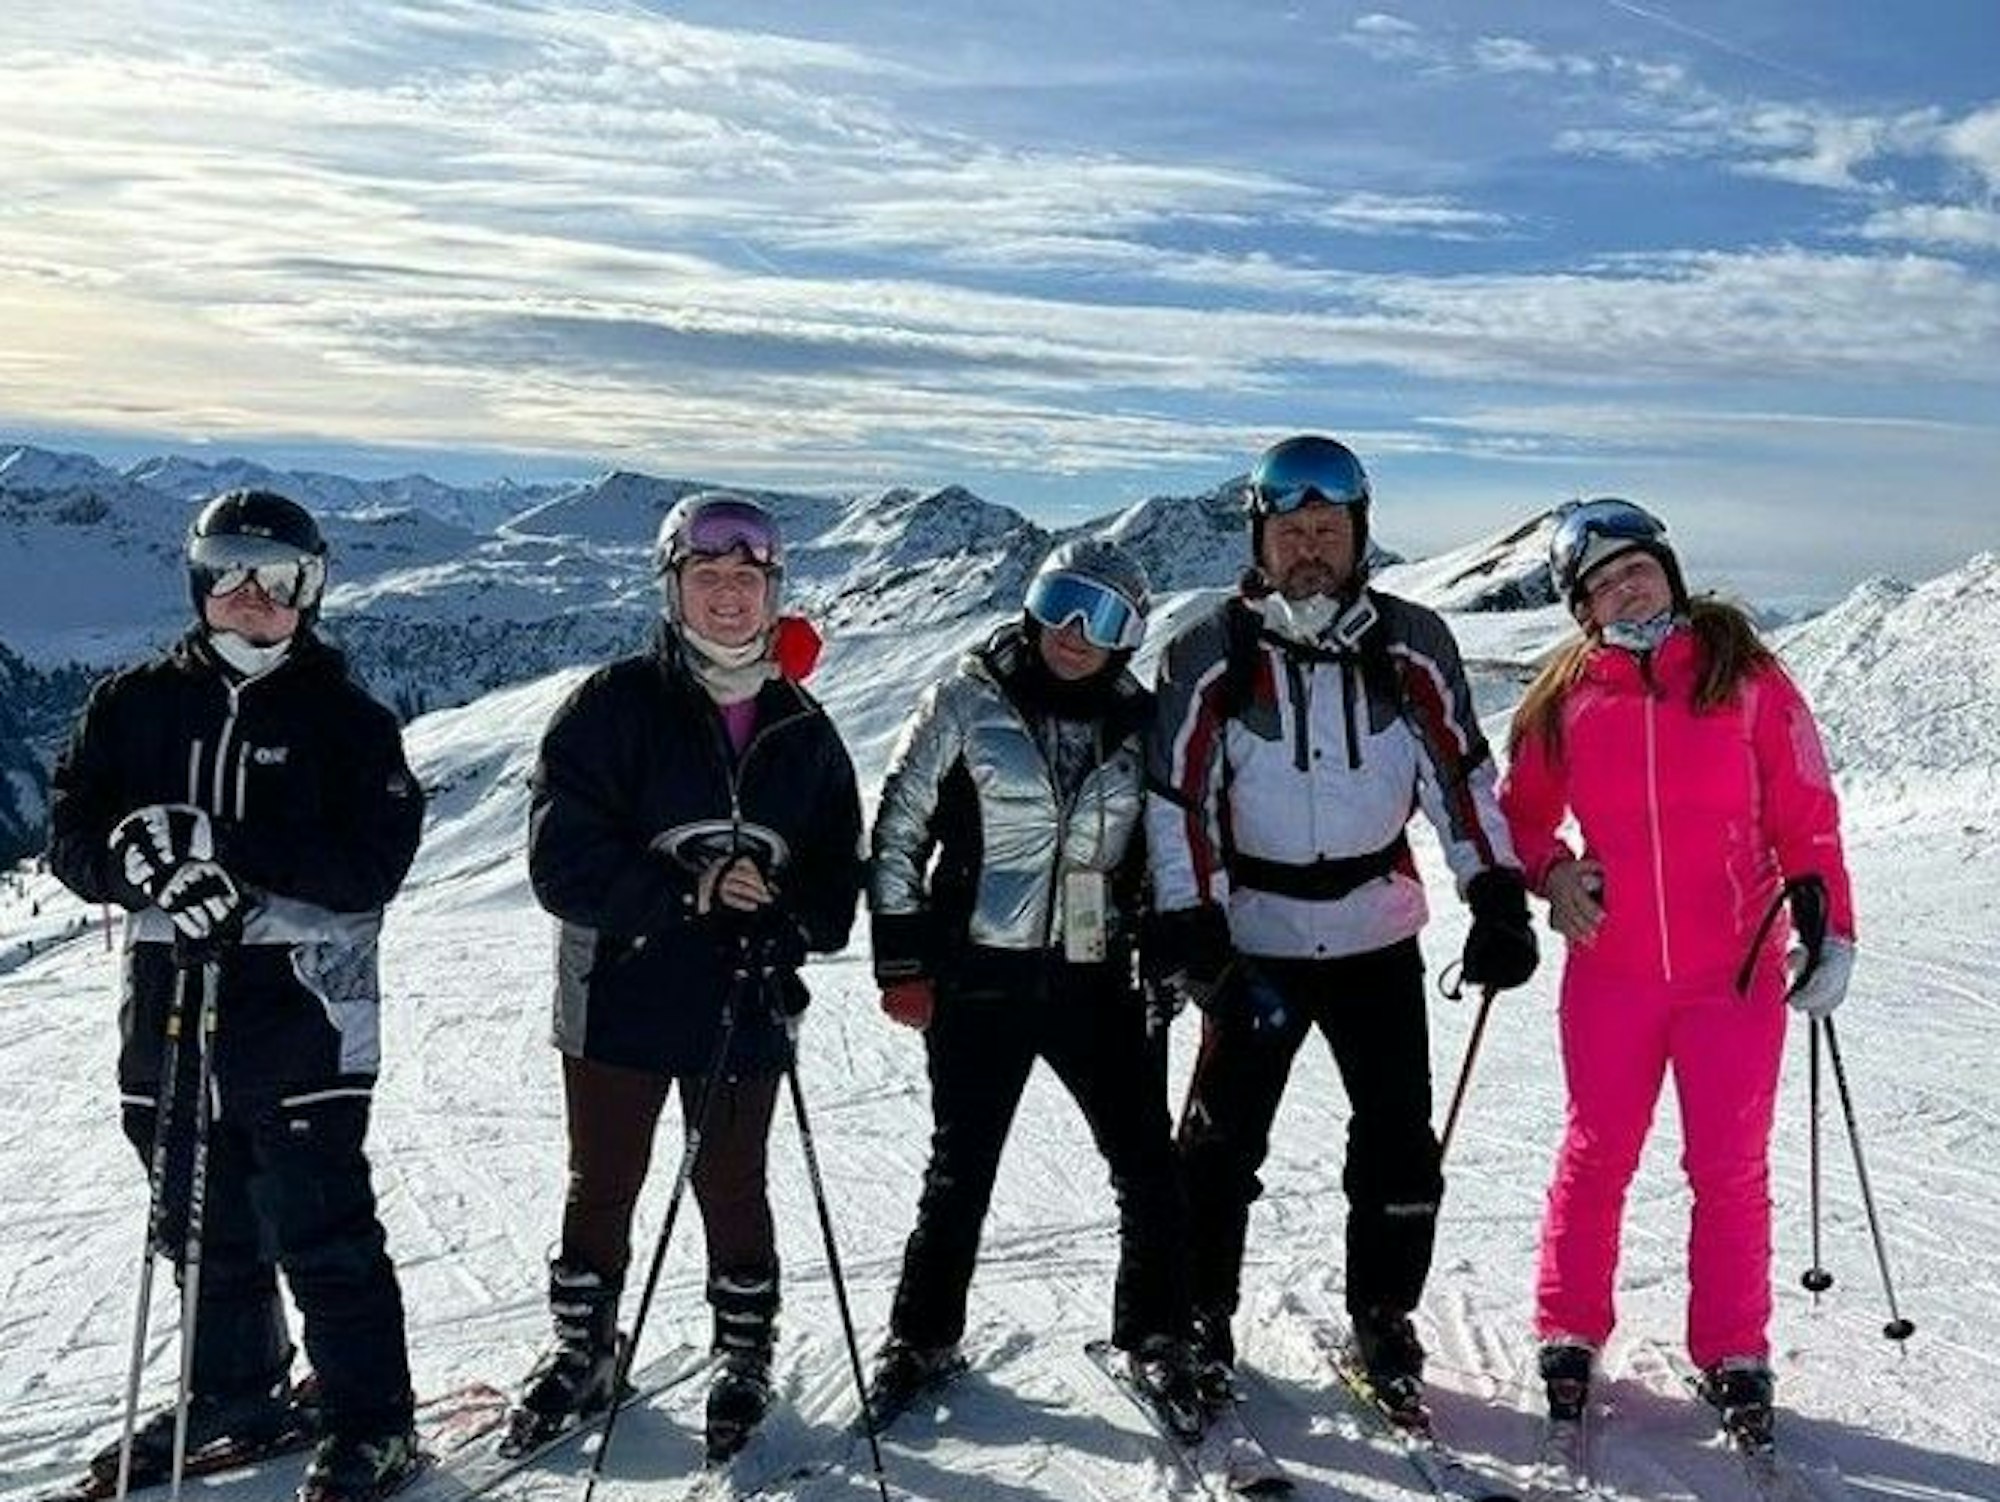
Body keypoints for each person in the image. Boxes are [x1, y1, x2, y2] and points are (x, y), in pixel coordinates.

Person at [1145, 434, 1538, 1418]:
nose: (1308, 548)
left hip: (1375, 937)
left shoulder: (1411, 642)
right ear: (1259, 541)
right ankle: (1200, 1313)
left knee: (1399, 1143)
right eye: (1290, 532)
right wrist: (1191, 923)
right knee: (1217, 1148)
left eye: (1326, 529)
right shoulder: (1211, 649)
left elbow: (1461, 781)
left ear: (1358, 535)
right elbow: (1175, 800)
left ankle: (1382, 1314)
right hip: (1256, 944)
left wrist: (1492, 891)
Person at [47, 489, 427, 1502]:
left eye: (281, 577)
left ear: (313, 590)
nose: (252, 595)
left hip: (304, 1011)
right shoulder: (133, 704)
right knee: (195, 1209)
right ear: (197, 579)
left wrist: (226, 853)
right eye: (230, 569)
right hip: (169, 1003)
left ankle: (371, 1417)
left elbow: (372, 862)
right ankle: (237, 1385)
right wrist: (143, 870)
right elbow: (74, 832)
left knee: (319, 1217)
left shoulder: (344, 719)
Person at [512, 492, 862, 1461]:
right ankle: (584, 1347)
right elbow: (560, 861)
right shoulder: (614, 704)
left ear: (773, 591)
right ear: (672, 587)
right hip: (616, 990)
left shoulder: (802, 729)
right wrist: (686, 888)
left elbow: (837, 881)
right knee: (603, 1180)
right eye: (704, 577)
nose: (725, 597)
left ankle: (741, 1353)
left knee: (732, 1181)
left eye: (744, 579)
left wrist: (782, 912)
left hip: (740, 995)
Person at [1499, 497, 1856, 1444]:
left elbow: (1807, 817)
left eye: (1637, 570)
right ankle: (1569, 1330)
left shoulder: (1748, 678)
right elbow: (1520, 819)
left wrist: (1831, 928)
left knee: (1730, 1168)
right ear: (1586, 611)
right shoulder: (1564, 696)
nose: (1626, 589)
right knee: (1597, 1153)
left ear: (1668, 570)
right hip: (1610, 974)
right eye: (1602, 584)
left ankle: (1734, 1350)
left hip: (1731, 975)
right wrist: (1553, 871)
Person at [865, 538, 1205, 1437]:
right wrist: (902, 960)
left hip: (1094, 974)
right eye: (1061, 601)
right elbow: (899, 831)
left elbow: (1162, 844)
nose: (1073, 632)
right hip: (979, 971)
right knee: (961, 1167)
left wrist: (1172, 932)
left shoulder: (1139, 722)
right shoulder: (967, 700)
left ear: (1130, 636)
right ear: (1032, 603)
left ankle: (1158, 1334)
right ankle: (921, 1337)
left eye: (1103, 618)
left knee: (1146, 1163)